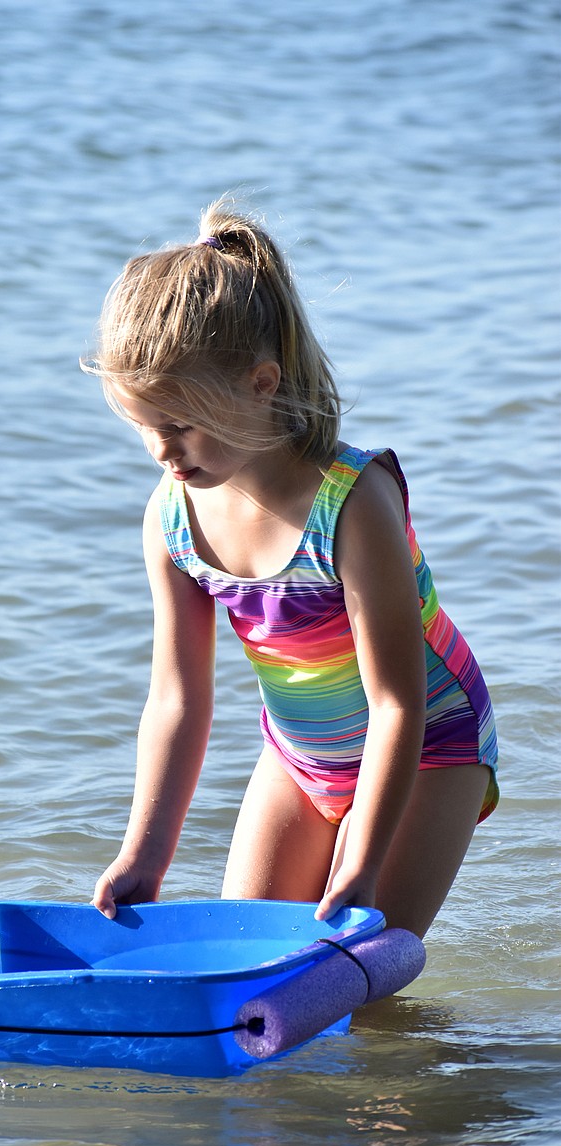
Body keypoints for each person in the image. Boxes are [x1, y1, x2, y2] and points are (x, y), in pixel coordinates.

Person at [80, 200, 498, 938]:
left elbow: (396, 704)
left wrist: (361, 863)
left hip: (429, 740)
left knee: (357, 980)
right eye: (142, 426)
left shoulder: (352, 503)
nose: (161, 452)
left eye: (178, 424)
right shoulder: (173, 517)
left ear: (261, 384)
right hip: (301, 757)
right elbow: (178, 700)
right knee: (254, 963)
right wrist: (144, 855)